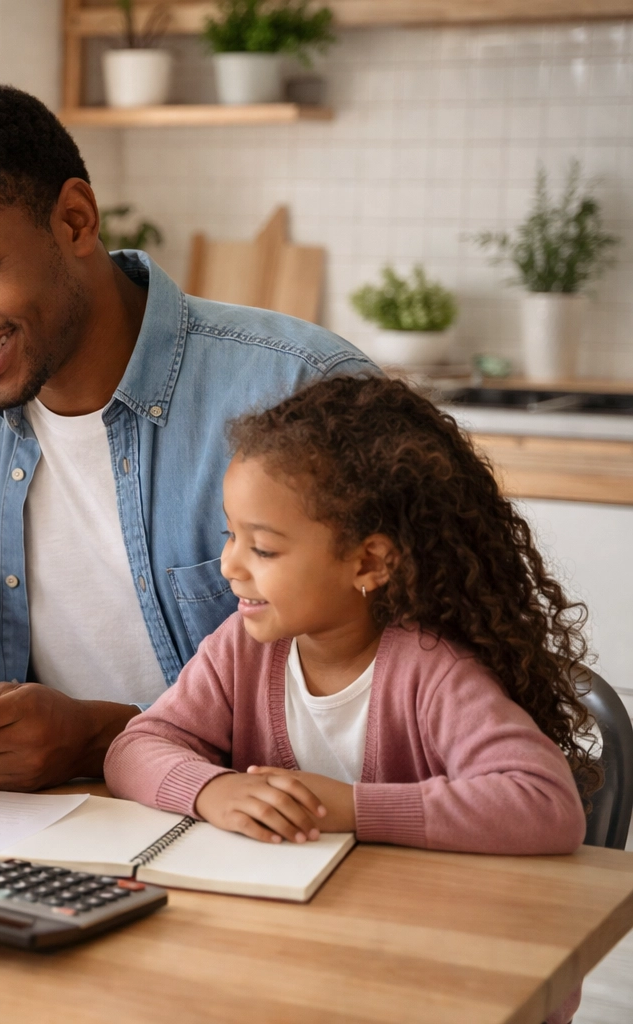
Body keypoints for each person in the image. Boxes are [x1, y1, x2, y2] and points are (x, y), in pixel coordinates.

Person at [0, 82, 373, 791]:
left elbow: (400, 707)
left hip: (271, 840)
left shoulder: (303, 393)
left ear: (76, 221)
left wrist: (110, 739)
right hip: (41, 840)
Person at [105, 375, 590, 1024]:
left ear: (369, 563)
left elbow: (545, 805)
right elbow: (136, 745)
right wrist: (209, 790)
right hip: (315, 957)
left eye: (264, 548)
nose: (230, 566)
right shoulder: (243, 648)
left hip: (446, 975)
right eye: (230, 536)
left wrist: (356, 809)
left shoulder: (429, 669)